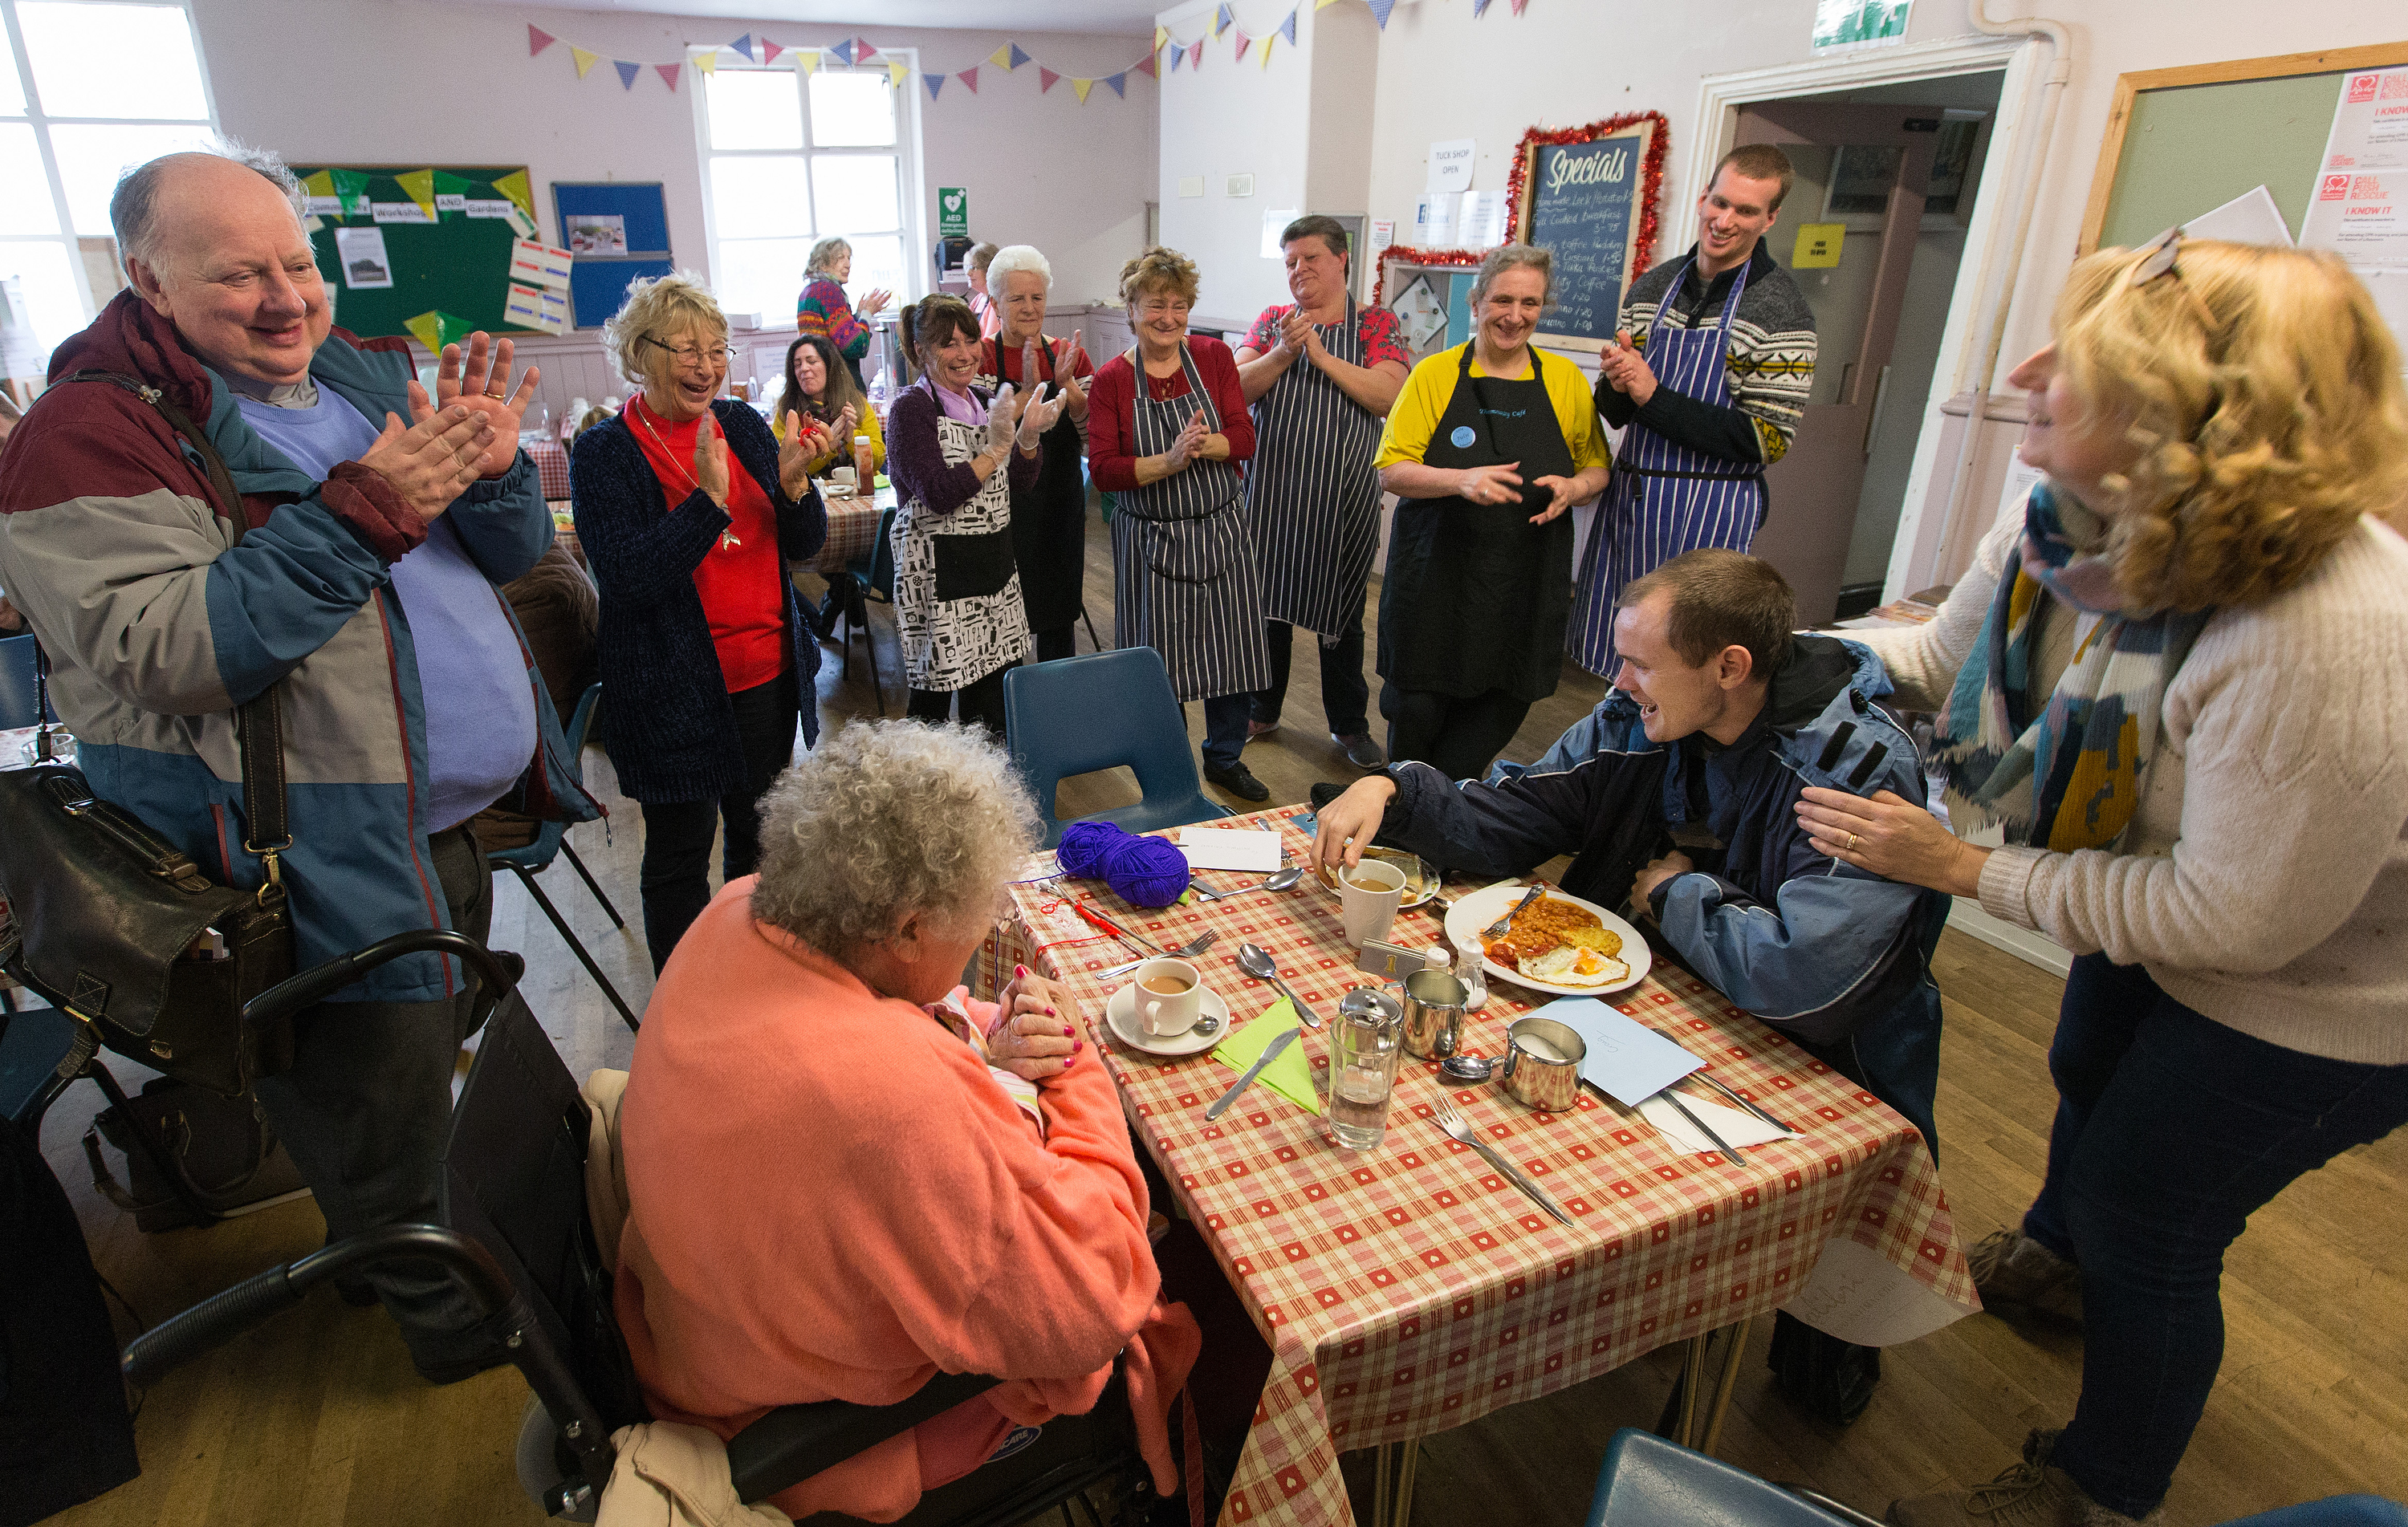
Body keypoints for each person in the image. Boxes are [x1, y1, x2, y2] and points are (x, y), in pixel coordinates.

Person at [1800, 238, 2408, 1526]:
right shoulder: (2063, 529)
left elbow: (2239, 919)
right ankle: (2058, 1264)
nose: (2022, 377)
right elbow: (1927, 659)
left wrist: (1967, 864)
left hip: (2325, 996)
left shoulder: (2324, 631)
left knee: (2153, 1211)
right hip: (2164, 914)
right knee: (2087, 1071)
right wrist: (1731, 633)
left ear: (2181, 423)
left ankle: (2095, 1491)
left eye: (2070, 367)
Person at [0, 148, 596, 1383]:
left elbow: (495, 550)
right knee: (388, 1126)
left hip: (450, 822)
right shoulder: (84, 434)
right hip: (311, 852)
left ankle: (396, 1263)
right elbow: (174, 646)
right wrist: (367, 506)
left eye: (296, 263)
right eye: (239, 274)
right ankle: (478, 1358)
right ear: (146, 278)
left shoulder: (350, 366)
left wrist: (486, 479)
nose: (286, 298)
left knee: (419, 1092)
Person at [614, 720, 1197, 1523]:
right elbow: (1096, 1302)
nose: (991, 927)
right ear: (911, 928)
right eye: (980, 909)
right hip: (804, 1430)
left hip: (692, 1325)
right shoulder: (888, 1100)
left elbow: (880, 1027)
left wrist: (979, 1039)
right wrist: (1075, 1063)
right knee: (1175, 1290)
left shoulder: (737, 910)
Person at [571, 273, 832, 972]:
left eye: (716, 348)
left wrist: (796, 486)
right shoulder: (603, 453)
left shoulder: (742, 424)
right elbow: (626, 577)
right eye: (685, 348)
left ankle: (750, 983)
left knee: (756, 843)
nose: (706, 364)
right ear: (639, 353)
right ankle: (686, 1009)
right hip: (671, 691)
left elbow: (804, 546)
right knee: (680, 858)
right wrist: (708, 506)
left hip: (768, 677)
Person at [1569, 144, 1817, 679]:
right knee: (1619, 664)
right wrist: (1617, 381)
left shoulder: (1782, 313)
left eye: (1746, 211)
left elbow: (1766, 441)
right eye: (1720, 203)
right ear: (1703, 197)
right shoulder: (1653, 288)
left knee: (1685, 667)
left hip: (1708, 515)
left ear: (1770, 218)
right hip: (1632, 504)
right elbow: (1613, 412)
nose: (1725, 221)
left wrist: (1652, 396)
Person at [1373, 243, 1610, 782]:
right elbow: (1392, 469)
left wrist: (1575, 487)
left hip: (1524, 583)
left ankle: (1447, 816)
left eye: (1530, 302)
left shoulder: (1566, 380)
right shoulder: (1434, 375)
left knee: (1492, 717)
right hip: (1436, 578)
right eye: (1503, 299)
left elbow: (1598, 470)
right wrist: (1462, 479)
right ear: (1477, 303)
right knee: (1417, 715)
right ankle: (1403, 809)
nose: (1515, 315)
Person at [1086, 246, 1271, 802]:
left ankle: (1224, 758)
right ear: (1131, 310)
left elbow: (1244, 437)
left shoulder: (1214, 359)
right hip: (1151, 538)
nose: (1167, 317)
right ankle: (1170, 765)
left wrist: (1199, 445)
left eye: (1178, 304)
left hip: (1221, 528)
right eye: (1154, 305)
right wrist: (1168, 461)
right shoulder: (1112, 382)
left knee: (1232, 652)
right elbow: (1103, 471)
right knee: (1159, 661)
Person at [1233, 215, 1411, 773]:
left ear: (1342, 260)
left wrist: (1323, 357)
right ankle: (1262, 709)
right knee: (1264, 609)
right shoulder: (1270, 322)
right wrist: (1286, 350)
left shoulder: (1375, 324)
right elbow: (1236, 389)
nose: (1298, 270)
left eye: (1310, 258)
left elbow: (1388, 395)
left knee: (1343, 613)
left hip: (1345, 495)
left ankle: (1348, 725)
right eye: (1290, 262)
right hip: (1272, 492)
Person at [885, 294, 1067, 734]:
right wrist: (998, 448)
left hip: (994, 572)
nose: (964, 354)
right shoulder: (911, 409)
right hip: (936, 577)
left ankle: (987, 798)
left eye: (970, 340)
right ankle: (923, 800)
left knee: (991, 712)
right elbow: (938, 493)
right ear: (921, 351)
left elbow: (1020, 483)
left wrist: (1027, 439)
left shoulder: (987, 399)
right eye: (948, 344)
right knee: (932, 709)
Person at [980, 245, 1093, 664]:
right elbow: (977, 432)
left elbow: (1087, 432)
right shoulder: (981, 355)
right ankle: (1008, 709)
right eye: (1016, 298)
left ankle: (1058, 706)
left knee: (1058, 613)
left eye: (1037, 297)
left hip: (1059, 502)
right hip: (1002, 501)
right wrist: (1028, 392)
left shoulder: (1067, 353)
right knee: (1004, 612)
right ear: (994, 303)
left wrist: (1071, 387)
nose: (1029, 308)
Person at [771, 331, 883, 483]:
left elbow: (877, 462)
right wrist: (826, 448)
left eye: (811, 361)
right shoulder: (788, 411)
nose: (803, 368)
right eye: (797, 364)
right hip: (809, 496)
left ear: (829, 366)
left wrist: (852, 438)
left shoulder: (856, 404)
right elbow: (782, 467)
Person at [795, 235, 890, 391]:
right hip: (838, 386)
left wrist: (858, 315)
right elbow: (855, 346)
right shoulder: (829, 291)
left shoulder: (809, 291)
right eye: (840, 258)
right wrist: (867, 314)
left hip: (819, 384)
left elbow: (833, 334)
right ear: (823, 263)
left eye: (848, 258)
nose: (848, 264)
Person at [964, 241, 1002, 340]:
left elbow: (989, 341)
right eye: (967, 267)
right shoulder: (978, 298)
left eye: (973, 267)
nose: (968, 273)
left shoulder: (997, 301)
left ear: (989, 269)